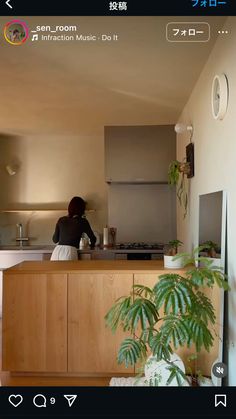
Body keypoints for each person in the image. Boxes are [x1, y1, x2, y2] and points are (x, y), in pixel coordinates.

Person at [50, 196, 96, 260]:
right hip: (70, 252)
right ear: (82, 209)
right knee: (70, 270)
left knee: (55, 270)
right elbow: (93, 238)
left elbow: (55, 240)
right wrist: (92, 245)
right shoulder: (83, 221)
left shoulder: (61, 219)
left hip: (56, 252)